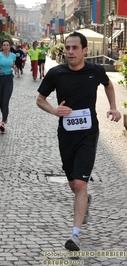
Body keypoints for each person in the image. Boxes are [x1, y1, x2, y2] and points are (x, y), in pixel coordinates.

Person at [36, 31, 122, 251]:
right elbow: (40, 100)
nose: (70, 52)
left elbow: (108, 85)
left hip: (88, 133)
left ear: (85, 50)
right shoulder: (56, 73)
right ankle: (85, 201)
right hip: (66, 134)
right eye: (67, 48)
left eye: (75, 48)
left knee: (81, 183)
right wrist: (55, 111)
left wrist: (113, 106)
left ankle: (75, 235)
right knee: (74, 183)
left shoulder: (96, 71)